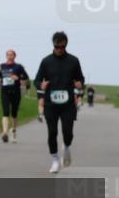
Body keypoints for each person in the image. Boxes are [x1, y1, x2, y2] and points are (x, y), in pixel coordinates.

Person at [34, 31, 85, 173]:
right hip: (51, 103)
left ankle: (67, 146)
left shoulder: (73, 61)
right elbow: (36, 80)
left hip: (68, 104)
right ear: (53, 45)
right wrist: (40, 86)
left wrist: (80, 84)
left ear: (65, 45)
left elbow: (81, 79)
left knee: (68, 132)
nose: (59, 50)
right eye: (57, 47)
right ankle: (55, 160)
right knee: (52, 133)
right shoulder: (46, 61)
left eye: (62, 47)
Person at [0, 49, 30, 143]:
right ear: (6, 56)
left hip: (15, 91)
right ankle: (5, 133)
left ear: (14, 56)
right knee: (5, 112)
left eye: (11, 54)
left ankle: (13, 131)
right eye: (7, 54)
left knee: (14, 113)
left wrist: (18, 78)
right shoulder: (2, 66)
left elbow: (26, 78)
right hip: (5, 91)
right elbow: (0, 76)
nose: (9, 56)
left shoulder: (18, 67)